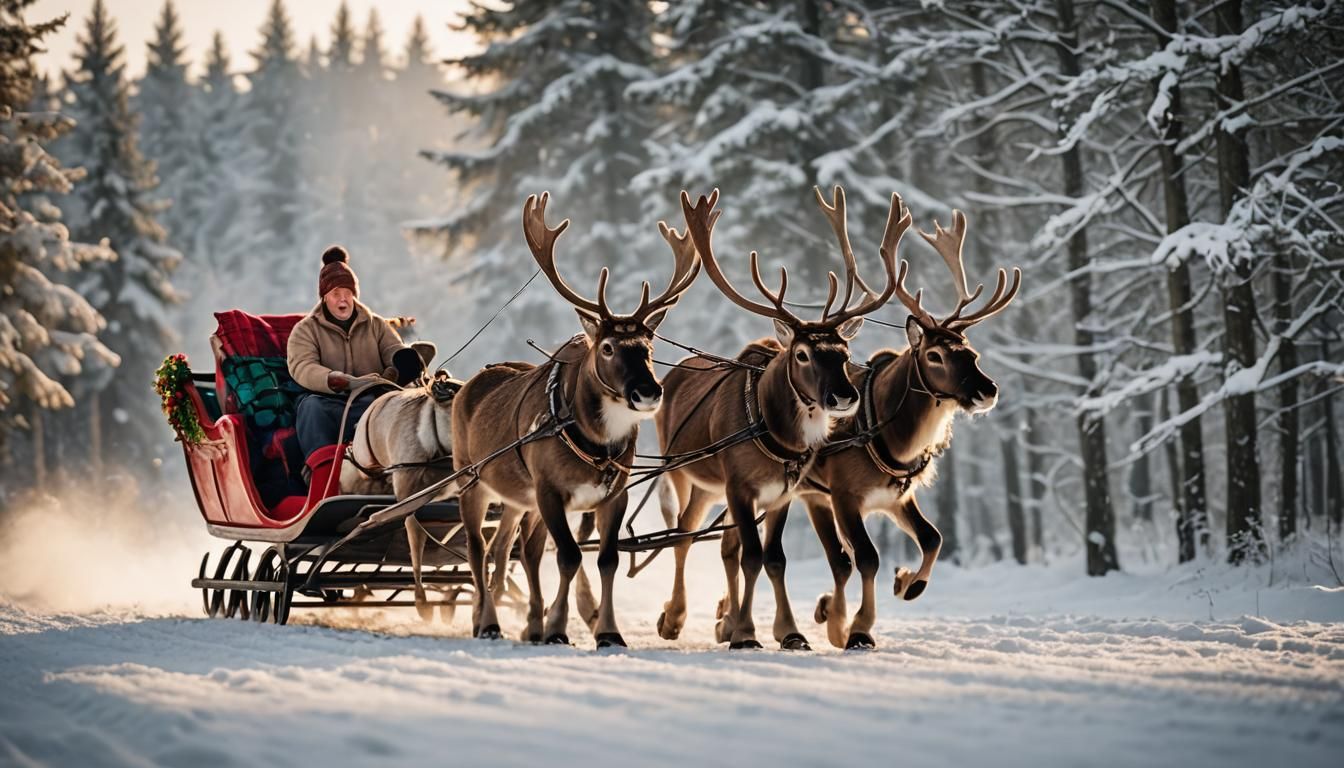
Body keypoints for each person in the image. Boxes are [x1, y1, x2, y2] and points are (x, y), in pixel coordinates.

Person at [288, 245, 426, 462]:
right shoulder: (306, 330)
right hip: (330, 402)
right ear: (324, 297)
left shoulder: (376, 324)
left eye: (348, 293)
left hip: (373, 400)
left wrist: (400, 365)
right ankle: (323, 472)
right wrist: (336, 379)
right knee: (310, 408)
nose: (343, 300)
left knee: (409, 404)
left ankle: (407, 466)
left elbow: (392, 349)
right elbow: (302, 366)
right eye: (336, 293)